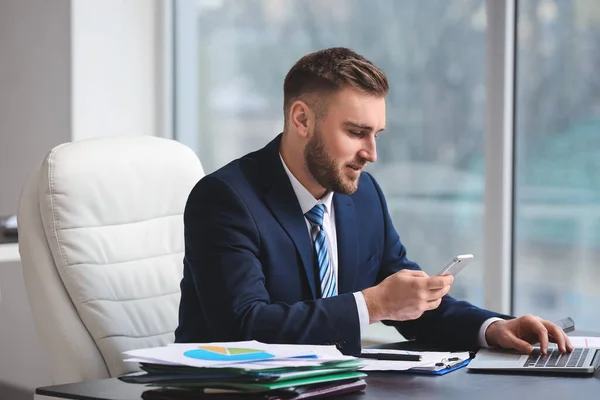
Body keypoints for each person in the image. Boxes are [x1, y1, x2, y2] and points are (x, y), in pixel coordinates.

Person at [175, 47, 573, 356]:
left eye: (377, 134)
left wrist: (491, 329)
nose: (371, 153)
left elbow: (412, 301)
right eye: (355, 132)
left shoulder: (362, 195)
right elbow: (245, 327)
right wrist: (372, 304)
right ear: (301, 120)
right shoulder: (225, 200)